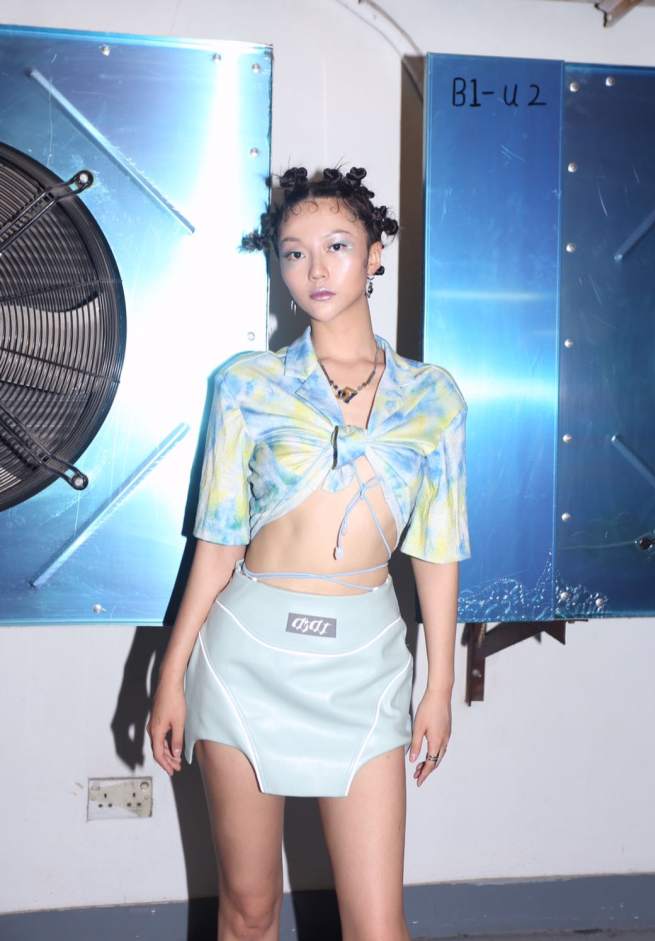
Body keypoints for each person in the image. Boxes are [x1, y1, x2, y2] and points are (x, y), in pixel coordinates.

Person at [147, 165, 471, 941]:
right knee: (249, 909)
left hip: (365, 665)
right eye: (294, 252)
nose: (315, 268)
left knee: (378, 926)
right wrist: (171, 673)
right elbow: (217, 540)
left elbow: (437, 548)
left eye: (336, 246)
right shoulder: (246, 385)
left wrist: (438, 686)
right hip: (245, 658)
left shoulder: (433, 396)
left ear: (375, 254)